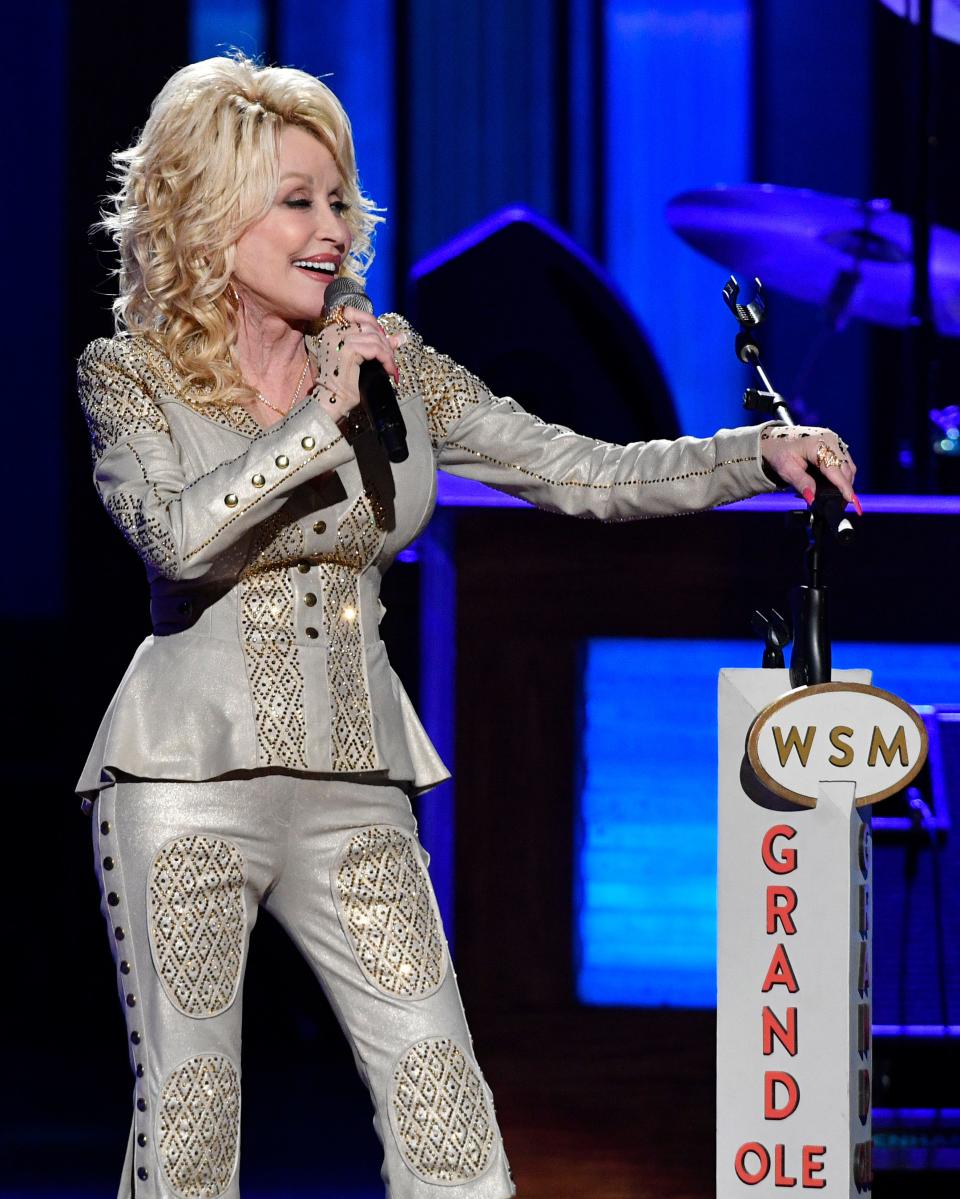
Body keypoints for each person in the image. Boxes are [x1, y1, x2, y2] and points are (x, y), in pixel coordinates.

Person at [77, 53, 858, 1199]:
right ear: (204, 214)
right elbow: (179, 538)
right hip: (185, 776)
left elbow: (581, 469)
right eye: (296, 199)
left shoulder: (400, 371)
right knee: (193, 1121)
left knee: (448, 1108)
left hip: (357, 780)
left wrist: (753, 454)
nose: (332, 227)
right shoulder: (129, 374)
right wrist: (321, 417)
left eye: (339, 198)